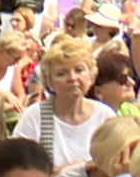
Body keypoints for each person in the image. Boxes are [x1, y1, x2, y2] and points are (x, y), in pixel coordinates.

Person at [13, 35, 112, 168]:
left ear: (91, 76)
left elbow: (114, 162)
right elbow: (17, 163)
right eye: (61, 73)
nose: (72, 78)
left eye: (79, 70)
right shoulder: (36, 115)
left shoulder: (104, 115)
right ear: (49, 81)